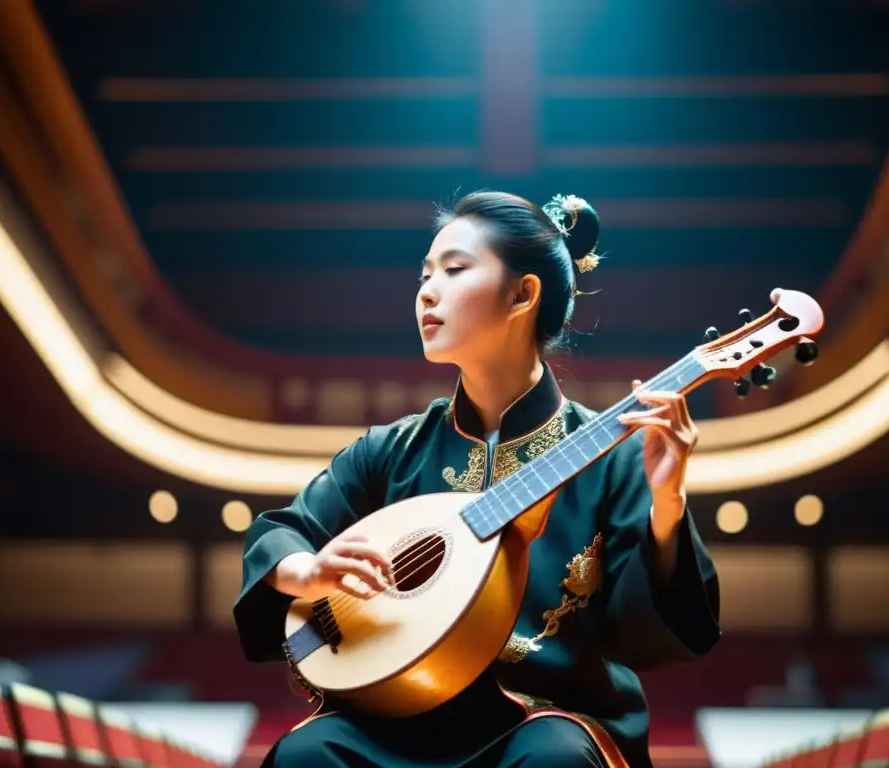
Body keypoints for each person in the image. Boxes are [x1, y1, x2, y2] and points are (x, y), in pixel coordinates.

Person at [234, 191, 721, 768]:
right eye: (424, 274)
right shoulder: (392, 450)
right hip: (393, 716)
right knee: (306, 754)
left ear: (523, 293)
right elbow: (283, 530)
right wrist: (308, 571)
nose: (426, 291)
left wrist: (667, 504)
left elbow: (654, 631)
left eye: (455, 270)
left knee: (555, 761)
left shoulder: (612, 457)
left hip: (538, 721)